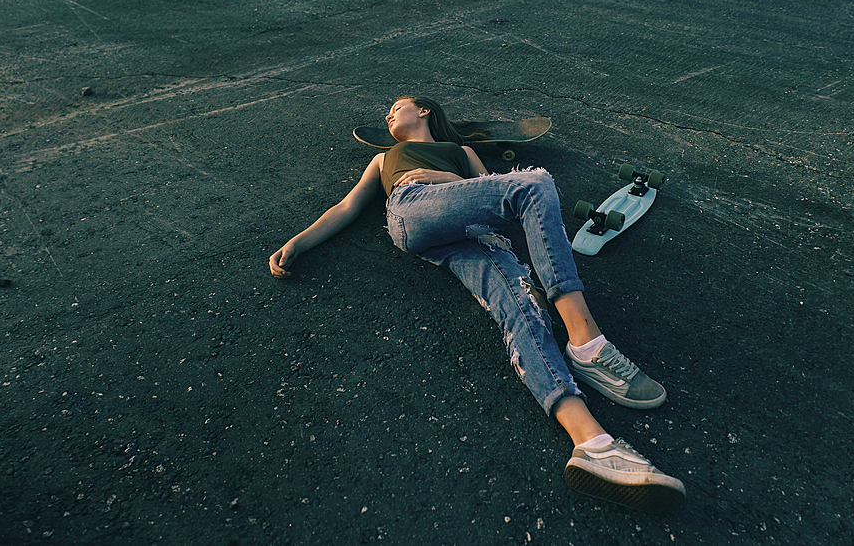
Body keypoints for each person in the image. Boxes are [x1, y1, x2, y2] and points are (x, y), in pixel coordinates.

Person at [269, 95, 686, 513]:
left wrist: (442, 173)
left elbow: (491, 194)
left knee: (523, 307)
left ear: (425, 110)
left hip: (471, 232)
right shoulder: (384, 160)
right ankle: (588, 343)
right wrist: (297, 243)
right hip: (413, 211)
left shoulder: (460, 151)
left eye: (398, 106)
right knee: (535, 182)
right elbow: (347, 206)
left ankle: (592, 444)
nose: (388, 114)